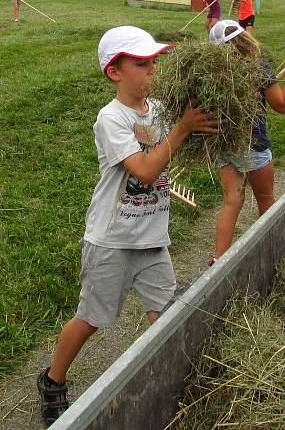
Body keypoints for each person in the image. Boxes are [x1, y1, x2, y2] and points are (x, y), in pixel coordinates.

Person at [37, 26, 218, 426]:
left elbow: (185, 121)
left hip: (153, 239)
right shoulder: (110, 118)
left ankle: (175, 382)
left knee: (166, 315)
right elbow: (146, 170)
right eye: (141, 63)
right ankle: (53, 380)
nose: (152, 70)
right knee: (91, 319)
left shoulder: (158, 109)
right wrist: (184, 129)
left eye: (154, 62)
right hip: (112, 240)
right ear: (114, 72)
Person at [208, 20, 285, 265]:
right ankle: (274, 252)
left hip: (225, 145)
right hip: (254, 145)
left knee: (232, 200)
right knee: (265, 199)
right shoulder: (258, 68)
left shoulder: (214, 74)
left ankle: (218, 258)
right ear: (245, 38)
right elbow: (282, 104)